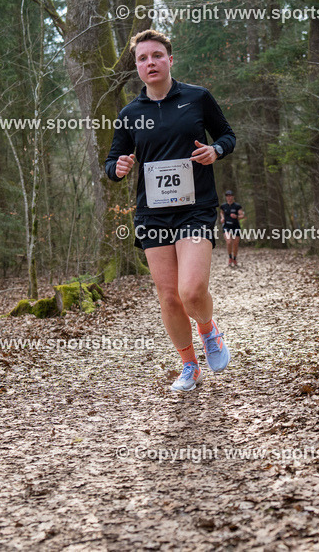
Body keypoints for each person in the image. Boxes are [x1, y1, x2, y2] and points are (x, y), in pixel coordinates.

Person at [105, 29, 235, 391]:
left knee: (191, 290)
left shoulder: (197, 98)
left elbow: (227, 135)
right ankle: (189, 365)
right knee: (169, 297)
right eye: (143, 58)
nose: (151, 63)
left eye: (157, 56)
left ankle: (209, 331)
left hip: (196, 208)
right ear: (136, 67)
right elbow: (112, 160)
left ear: (170, 59)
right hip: (153, 214)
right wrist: (116, 169)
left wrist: (216, 151)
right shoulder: (130, 113)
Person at [219, 190, 245, 267]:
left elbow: (242, 215)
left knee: (235, 244)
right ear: (226, 197)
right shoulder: (223, 206)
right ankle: (230, 257)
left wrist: (236, 216)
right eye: (227, 196)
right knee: (229, 242)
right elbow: (221, 212)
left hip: (235, 227)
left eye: (230, 196)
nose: (229, 197)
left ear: (233, 197)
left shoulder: (237, 206)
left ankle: (235, 258)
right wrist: (222, 218)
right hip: (226, 227)